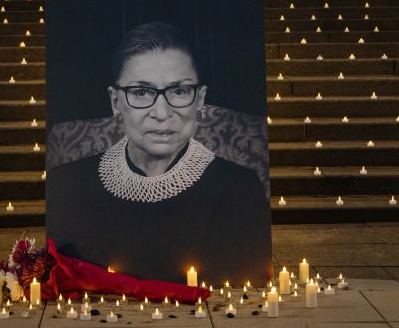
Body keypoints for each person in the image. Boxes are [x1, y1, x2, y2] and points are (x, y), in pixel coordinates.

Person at [47, 21, 270, 286]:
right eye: (141, 92)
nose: (162, 114)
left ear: (199, 100)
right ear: (115, 102)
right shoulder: (67, 184)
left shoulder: (240, 190)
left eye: (179, 91)